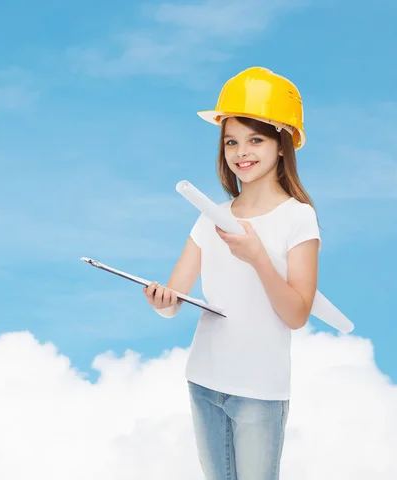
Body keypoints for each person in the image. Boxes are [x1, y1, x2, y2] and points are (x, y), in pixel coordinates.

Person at [142, 66, 321, 480]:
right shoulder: (212, 216)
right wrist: (161, 301)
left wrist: (258, 257)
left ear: (283, 143)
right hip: (203, 380)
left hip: (259, 391)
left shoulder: (298, 218)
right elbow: (175, 299)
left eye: (256, 139)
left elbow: (296, 314)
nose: (242, 152)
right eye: (231, 142)